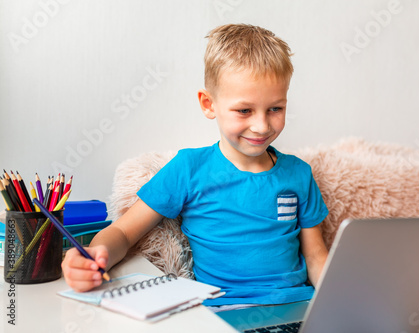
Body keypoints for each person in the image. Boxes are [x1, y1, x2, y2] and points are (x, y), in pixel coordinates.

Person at [62, 23, 329, 308]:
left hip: (300, 307)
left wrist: (344, 300)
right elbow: (124, 232)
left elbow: (315, 257)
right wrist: (95, 255)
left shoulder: (299, 174)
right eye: (244, 110)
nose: (262, 125)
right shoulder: (188, 169)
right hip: (222, 312)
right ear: (208, 104)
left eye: (275, 108)